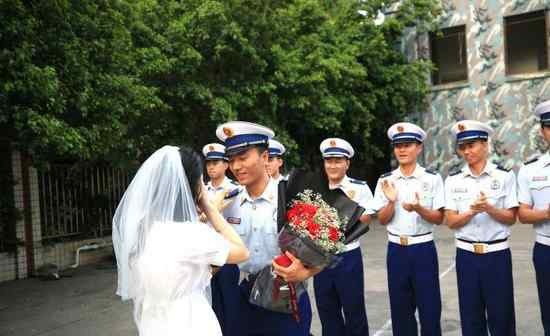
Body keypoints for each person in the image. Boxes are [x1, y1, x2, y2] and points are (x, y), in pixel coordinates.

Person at [112, 145, 249, 336]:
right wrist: (209, 207)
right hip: (190, 323)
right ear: (193, 186)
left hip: (153, 323)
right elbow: (242, 252)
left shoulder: (146, 229)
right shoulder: (191, 234)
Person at [217, 121, 318, 336]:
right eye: (232, 160)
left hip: (286, 297)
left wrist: (307, 271)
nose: (236, 166)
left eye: (243, 158)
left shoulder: (292, 198)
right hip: (246, 296)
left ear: (264, 157)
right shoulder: (227, 203)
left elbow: (325, 249)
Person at [444, 120, 518, 336]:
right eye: (463, 147)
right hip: (466, 255)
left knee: (501, 317)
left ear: (485, 145)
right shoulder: (453, 180)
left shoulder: (504, 176)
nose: (467, 151)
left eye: (472, 145)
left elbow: (511, 218)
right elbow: (451, 221)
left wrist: (489, 208)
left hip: (497, 255)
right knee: (471, 317)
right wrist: (472, 211)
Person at [371, 122, 444, 336]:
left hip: (423, 250)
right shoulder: (386, 180)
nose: (402, 150)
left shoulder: (432, 179)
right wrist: (391, 202)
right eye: (397, 145)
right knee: (401, 313)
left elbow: (439, 218)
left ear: (419, 147)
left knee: (430, 311)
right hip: (396, 250)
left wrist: (419, 208)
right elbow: (382, 220)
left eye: (408, 144)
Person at [313, 137, 373, 336]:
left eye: (338, 161)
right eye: (329, 161)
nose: (332, 165)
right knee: (327, 312)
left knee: (354, 311)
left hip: (348, 257)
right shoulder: (314, 189)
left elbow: (365, 220)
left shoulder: (360, 188)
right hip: (321, 258)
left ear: (347, 163)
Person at [517, 100, 550, 336]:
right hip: (546, 250)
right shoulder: (530, 170)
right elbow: (523, 214)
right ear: (542, 131)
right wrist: (547, 213)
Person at [202, 143, 241, 336]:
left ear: (226, 165)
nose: (211, 167)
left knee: (230, 304)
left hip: (227, 254)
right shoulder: (202, 190)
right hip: (206, 255)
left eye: (216, 162)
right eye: (208, 163)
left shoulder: (234, 190)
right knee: (211, 303)